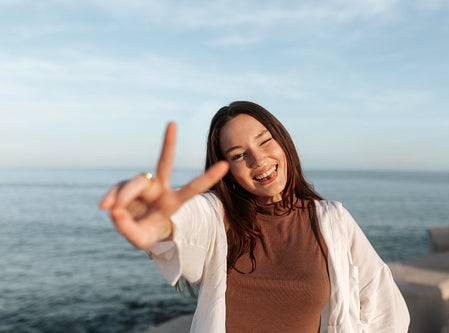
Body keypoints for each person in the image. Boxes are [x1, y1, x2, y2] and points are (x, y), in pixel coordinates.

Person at [100, 101, 410, 332]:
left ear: (283, 142)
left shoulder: (333, 221)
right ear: (229, 172)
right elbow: (188, 221)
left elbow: (385, 307)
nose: (258, 159)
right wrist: (160, 219)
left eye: (264, 141)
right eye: (237, 155)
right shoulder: (217, 217)